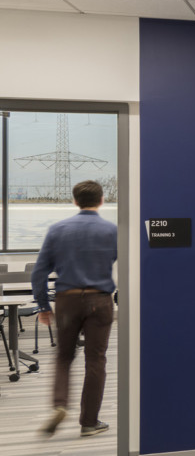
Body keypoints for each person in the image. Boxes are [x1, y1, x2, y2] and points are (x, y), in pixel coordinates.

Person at [36, 180, 117, 438]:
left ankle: (60, 405)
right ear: (102, 200)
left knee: (63, 356)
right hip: (100, 299)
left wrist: (42, 306)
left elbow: (39, 271)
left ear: (75, 201)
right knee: (96, 360)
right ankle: (89, 422)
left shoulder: (58, 230)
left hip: (67, 300)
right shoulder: (112, 230)